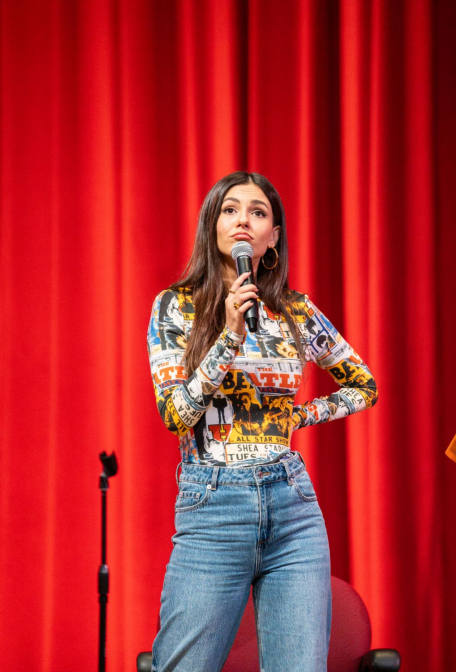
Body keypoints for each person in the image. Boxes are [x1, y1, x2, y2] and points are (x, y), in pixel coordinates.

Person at [147, 171, 378, 672]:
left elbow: (364, 386)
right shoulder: (175, 307)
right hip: (213, 505)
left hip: (291, 505)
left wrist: (301, 414)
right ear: (212, 226)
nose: (243, 221)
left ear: (272, 237)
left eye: (258, 212)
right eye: (230, 210)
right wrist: (229, 336)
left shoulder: (295, 310)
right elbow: (175, 414)